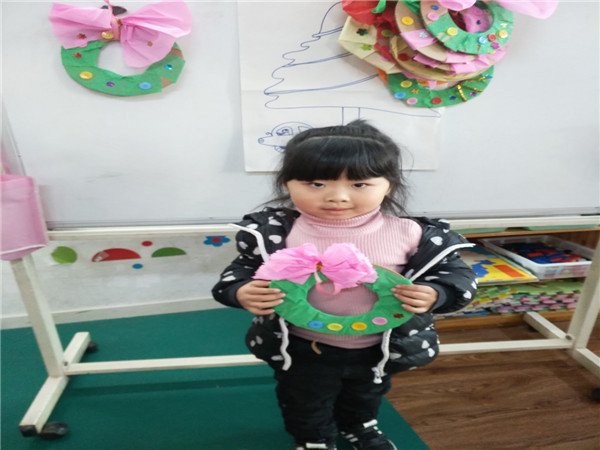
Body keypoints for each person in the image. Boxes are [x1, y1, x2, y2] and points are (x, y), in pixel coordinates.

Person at [212, 120, 477, 450]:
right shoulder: (274, 234)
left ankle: (359, 427)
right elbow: (239, 272)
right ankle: (313, 438)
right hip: (301, 345)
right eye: (316, 183)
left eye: (359, 184)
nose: (337, 196)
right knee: (303, 398)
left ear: (389, 185)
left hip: (379, 346)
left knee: (365, 393)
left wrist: (439, 293)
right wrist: (240, 290)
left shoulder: (412, 233)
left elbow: (457, 275)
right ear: (286, 183)